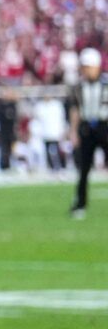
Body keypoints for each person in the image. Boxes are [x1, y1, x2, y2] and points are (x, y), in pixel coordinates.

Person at [70, 48, 107, 218]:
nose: (85, 70)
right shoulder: (78, 87)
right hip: (86, 128)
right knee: (84, 168)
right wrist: (73, 131)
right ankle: (80, 204)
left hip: (104, 126)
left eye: (88, 66)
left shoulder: (105, 83)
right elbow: (75, 110)